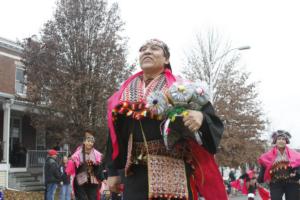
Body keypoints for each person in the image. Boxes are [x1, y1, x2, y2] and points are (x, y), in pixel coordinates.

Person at [106, 39, 227, 200]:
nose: (147, 51)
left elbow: (213, 122)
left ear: (166, 59)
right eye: (143, 49)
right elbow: (114, 135)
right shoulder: (123, 94)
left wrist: (201, 117)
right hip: (135, 174)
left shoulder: (182, 88)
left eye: (154, 48)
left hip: (174, 169)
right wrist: (113, 171)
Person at [257, 130, 300, 200]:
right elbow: (264, 168)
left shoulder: (295, 154)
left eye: (283, 139)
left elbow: (298, 167)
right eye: (279, 139)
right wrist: (259, 180)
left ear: (286, 141)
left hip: (291, 182)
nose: (281, 141)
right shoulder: (268, 155)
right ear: (275, 141)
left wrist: (297, 174)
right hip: (275, 182)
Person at [66, 129, 104, 200]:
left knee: (93, 197)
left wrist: (103, 179)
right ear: (84, 142)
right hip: (81, 181)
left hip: (92, 181)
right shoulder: (77, 154)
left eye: (92, 142)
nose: (90, 143)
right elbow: (72, 169)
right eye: (88, 141)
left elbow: (99, 169)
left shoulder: (96, 155)